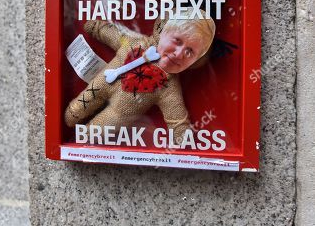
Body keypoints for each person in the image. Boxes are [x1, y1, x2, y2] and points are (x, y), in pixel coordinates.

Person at [64, 8, 215, 142]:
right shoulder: (134, 42)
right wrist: (96, 27)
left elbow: (175, 114)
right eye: (177, 40)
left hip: (119, 113)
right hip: (99, 86)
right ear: (163, 31)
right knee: (77, 109)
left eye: (190, 52)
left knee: (97, 130)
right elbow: (113, 34)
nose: (179, 53)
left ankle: (86, 136)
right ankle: (75, 114)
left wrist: (181, 133)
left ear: (195, 61)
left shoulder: (168, 87)